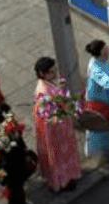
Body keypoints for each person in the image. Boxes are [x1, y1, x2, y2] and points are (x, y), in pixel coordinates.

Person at [33, 56, 82, 192]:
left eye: (55, 70)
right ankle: (62, 180)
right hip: (54, 129)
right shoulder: (42, 91)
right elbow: (46, 114)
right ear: (43, 74)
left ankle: (68, 175)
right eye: (51, 72)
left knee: (65, 152)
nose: (55, 74)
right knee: (59, 155)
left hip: (61, 124)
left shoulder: (49, 84)